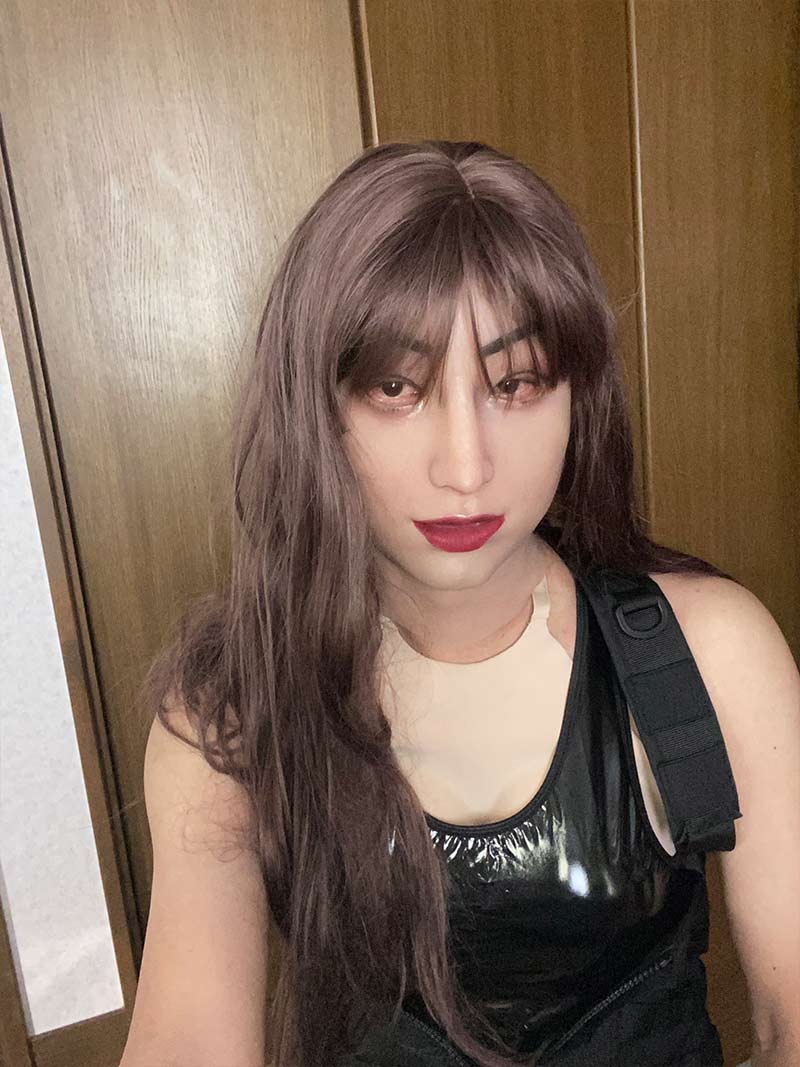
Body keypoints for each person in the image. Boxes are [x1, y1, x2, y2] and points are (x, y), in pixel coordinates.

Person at [119, 141, 800, 1067]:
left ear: (577, 396)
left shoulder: (712, 653)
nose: (467, 466)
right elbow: (189, 1039)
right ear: (317, 408)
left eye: (514, 384)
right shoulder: (230, 711)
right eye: (397, 388)